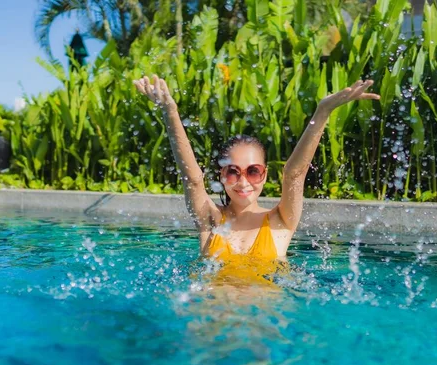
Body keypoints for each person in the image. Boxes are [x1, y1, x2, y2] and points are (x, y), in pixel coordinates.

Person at [134, 75, 379, 282]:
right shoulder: (210, 220)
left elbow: (294, 174)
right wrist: (170, 111)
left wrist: (323, 111)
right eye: (233, 171)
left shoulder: (280, 221)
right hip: (210, 319)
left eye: (253, 171)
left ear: (264, 175)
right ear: (222, 174)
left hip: (262, 325)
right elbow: (192, 177)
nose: (243, 182)